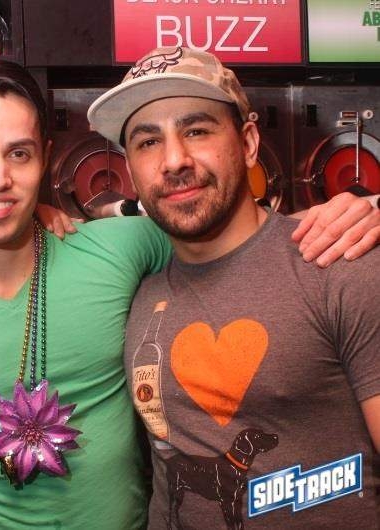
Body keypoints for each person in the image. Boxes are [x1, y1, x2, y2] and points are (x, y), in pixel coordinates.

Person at [0, 59, 377, 530]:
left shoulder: (121, 250)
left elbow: (232, 229)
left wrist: (366, 208)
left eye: (19, 154)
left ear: (44, 158)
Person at [85, 46, 379, 528]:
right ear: (131, 170)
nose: (174, 160)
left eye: (196, 131)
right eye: (148, 141)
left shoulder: (338, 262)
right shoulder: (139, 291)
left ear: (248, 144)